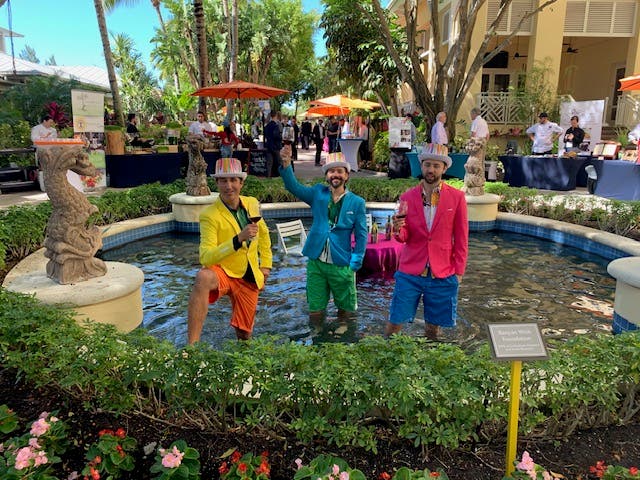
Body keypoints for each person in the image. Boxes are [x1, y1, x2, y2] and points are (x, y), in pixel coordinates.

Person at [385, 143, 468, 341]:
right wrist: (397, 229)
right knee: (395, 321)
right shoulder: (407, 197)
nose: (431, 169)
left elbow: (462, 237)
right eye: (427, 165)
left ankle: (428, 362)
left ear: (444, 168)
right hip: (410, 270)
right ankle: (384, 354)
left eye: (436, 166)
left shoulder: (457, 198)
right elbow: (404, 237)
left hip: (442, 271)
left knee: (433, 329)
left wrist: (459, 272)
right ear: (421, 166)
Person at [187, 157, 272, 343]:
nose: (228, 186)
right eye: (223, 181)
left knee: (244, 336)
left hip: (249, 276)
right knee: (203, 277)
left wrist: (265, 267)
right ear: (216, 183)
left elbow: (264, 236)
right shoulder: (209, 215)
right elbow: (206, 257)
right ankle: (191, 348)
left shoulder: (251, 203)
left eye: (233, 180)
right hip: (224, 272)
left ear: (241, 182)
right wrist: (237, 240)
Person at [279, 148, 368, 324]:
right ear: (326, 175)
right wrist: (286, 163)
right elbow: (293, 187)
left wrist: (355, 263)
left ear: (347, 175)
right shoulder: (317, 193)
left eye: (340, 171)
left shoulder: (357, 202)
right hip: (316, 263)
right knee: (315, 309)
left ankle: (344, 342)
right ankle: (317, 339)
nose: (336, 174)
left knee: (346, 310)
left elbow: (361, 234)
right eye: (332, 171)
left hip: (342, 264)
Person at [470, 107, 493, 179]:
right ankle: (481, 176)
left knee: (475, 159)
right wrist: (485, 142)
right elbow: (488, 135)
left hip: (477, 141)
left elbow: (473, 133)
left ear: (474, 114)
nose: (471, 116)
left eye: (471, 114)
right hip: (483, 141)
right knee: (482, 160)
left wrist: (471, 144)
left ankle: (475, 175)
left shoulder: (475, 121)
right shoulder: (484, 121)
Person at [264, 111, 283, 177]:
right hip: (276, 146)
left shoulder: (267, 126)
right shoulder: (276, 126)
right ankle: (281, 176)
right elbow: (277, 136)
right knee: (279, 162)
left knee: (269, 163)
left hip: (269, 146)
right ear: (276, 116)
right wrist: (281, 138)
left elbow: (265, 136)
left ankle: (268, 177)